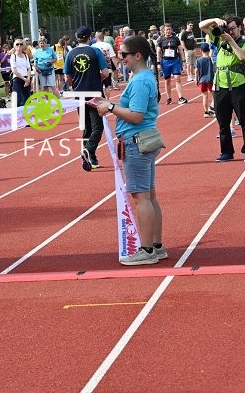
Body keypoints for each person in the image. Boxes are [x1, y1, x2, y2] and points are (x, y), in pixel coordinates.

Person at [95, 36, 167, 265]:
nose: (120, 58)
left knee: (141, 197)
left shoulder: (139, 81)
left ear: (137, 55)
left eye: (123, 54)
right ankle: (155, 246)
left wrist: (111, 107)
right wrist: (106, 104)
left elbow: (136, 116)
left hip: (136, 142)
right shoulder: (143, 78)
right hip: (143, 139)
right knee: (149, 196)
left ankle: (146, 250)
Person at [199, 15, 245, 162]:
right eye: (228, 29)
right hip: (221, 86)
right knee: (223, 122)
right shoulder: (219, 39)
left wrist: (230, 41)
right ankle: (227, 152)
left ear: (239, 28)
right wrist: (215, 20)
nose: (230, 32)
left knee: (244, 121)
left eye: (232, 29)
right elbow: (201, 25)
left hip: (238, 86)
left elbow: (243, 57)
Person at [64, 26, 109, 171]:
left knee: (86, 127)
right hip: (95, 95)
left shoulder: (70, 54)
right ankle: (88, 151)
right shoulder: (95, 51)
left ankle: (90, 157)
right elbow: (106, 72)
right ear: (90, 37)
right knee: (98, 127)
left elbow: (67, 78)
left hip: (79, 96)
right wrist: (97, 79)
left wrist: (76, 84)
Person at [156, 24, 188, 105]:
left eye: (169, 29)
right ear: (164, 31)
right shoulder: (161, 39)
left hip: (175, 61)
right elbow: (158, 52)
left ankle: (180, 97)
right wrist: (158, 63)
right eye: (166, 29)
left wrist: (183, 61)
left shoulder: (176, 39)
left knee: (178, 78)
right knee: (167, 80)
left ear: (171, 30)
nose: (168, 31)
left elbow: (181, 50)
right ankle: (169, 97)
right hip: (165, 62)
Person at [9, 39, 32, 106]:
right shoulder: (13, 56)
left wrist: (28, 78)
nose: (19, 46)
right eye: (17, 44)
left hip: (26, 78)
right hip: (17, 79)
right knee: (19, 100)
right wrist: (24, 79)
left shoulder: (25, 56)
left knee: (27, 99)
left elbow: (28, 68)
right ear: (15, 46)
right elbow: (14, 70)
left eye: (21, 44)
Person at [195, 43, 215, 117]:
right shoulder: (211, 59)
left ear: (201, 50)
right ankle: (214, 110)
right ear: (209, 50)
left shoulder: (198, 60)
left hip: (202, 80)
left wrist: (196, 79)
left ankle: (206, 112)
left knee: (205, 96)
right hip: (210, 79)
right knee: (214, 96)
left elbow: (196, 70)